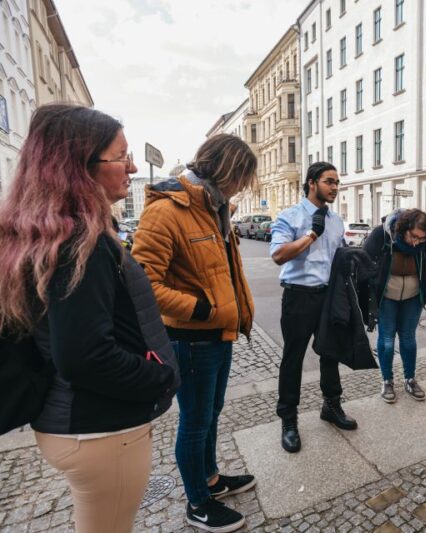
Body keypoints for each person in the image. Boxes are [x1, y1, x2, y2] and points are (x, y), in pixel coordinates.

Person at [0, 104, 179, 533]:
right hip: (100, 430)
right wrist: (161, 379)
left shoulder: (48, 233)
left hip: (74, 422)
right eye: (121, 156)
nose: (132, 167)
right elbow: (84, 355)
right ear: (80, 166)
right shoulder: (82, 242)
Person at [133, 134, 257, 532]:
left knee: (210, 413)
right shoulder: (168, 210)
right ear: (225, 169)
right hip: (189, 339)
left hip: (218, 336)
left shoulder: (213, 207)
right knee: (195, 421)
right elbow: (142, 283)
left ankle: (211, 479)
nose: (242, 185)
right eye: (241, 176)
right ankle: (198, 504)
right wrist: (200, 309)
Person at [270, 162, 357, 454]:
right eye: (329, 181)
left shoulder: (336, 221)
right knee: (293, 358)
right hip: (298, 298)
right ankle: (289, 420)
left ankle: (331, 406)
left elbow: (337, 256)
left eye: (337, 183)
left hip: (329, 295)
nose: (334, 187)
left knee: (330, 352)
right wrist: (311, 235)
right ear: (311, 182)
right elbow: (279, 255)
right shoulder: (290, 217)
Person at [364, 209, 426, 403]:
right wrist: (371, 296)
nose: (416, 242)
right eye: (413, 236)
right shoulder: (381, 235)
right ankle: (387, 380)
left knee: (408, 339)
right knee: (387, 341)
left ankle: (410, 379)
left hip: (413, 297)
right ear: (403, 228)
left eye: (421, 239)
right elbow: (364, 263)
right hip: (387, 297)